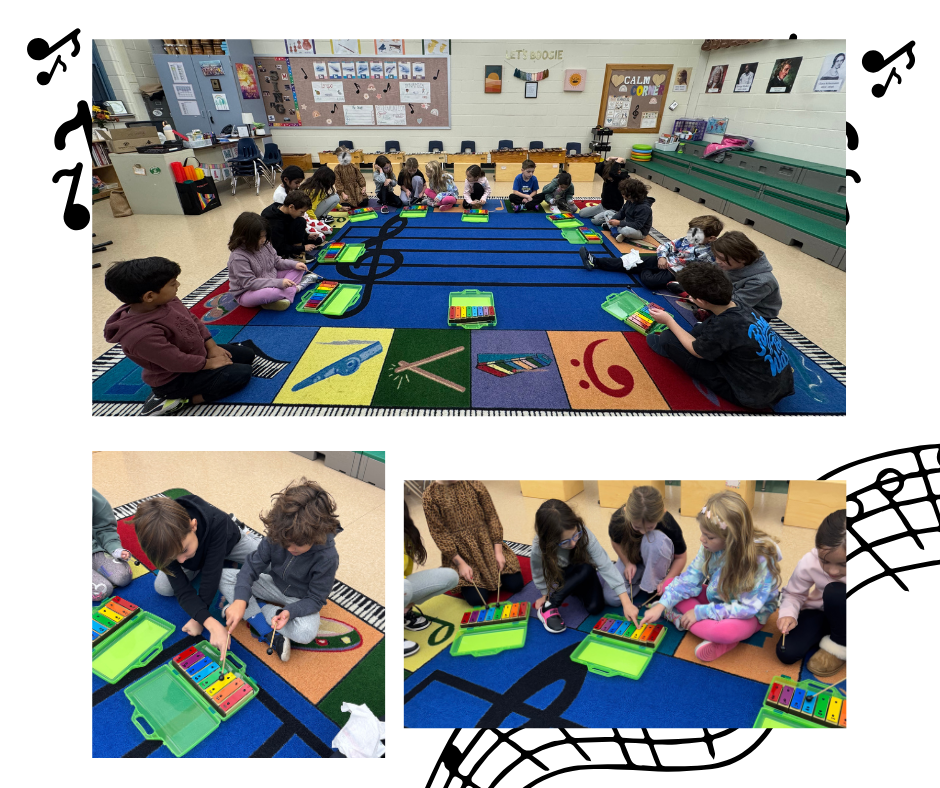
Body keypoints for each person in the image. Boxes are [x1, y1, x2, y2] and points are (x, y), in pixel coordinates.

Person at [641, 491, 782, 662]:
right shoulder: (708, 546)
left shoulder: (759, 560)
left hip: (750, 613)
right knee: (670, 584)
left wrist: (700, 612)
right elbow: (689, 579)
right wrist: (662, 606)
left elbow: (747, 609)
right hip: (719, 597)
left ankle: (705, 629)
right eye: (702, 533)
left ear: (731, 539)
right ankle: (707, 630)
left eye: (709, 536)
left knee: (725, 631)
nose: (702, 539)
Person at [103, 257, 255, 416]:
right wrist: (209, 364)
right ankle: (181, 400)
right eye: (172, 283)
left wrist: (212, 347)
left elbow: (192, 320)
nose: (178, 285)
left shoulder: (167, 301)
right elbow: (176, 361)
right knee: (242, 374)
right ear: (149, 296)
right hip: (174, 378)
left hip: (195, 355)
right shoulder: (140, 335)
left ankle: (203, 370)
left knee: (247, 355)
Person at [222, 478, 342, 663]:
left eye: (298, 545)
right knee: (223, 577)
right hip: (272, 583)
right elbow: (253, 566)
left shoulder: (328, 557)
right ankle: (255, 616)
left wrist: (290, 612)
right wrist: (239, 599)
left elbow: (316, 599)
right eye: (285, 543)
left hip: (299, 598)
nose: (290, 549)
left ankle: (257, 608)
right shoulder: (278, 533)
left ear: (318, 534)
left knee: (306, 632)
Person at [645, 262, 795, 410]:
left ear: (700, 301)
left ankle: (669, 347)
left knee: (668, 338)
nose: (689, 297)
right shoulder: (740, 305)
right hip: (781, 383)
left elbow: (697, 351)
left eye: (690, 295)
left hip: (753, 396)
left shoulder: (726, 325)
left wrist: (669, 321)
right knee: (705, 325)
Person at [135, 494, 263, 651]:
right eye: (174, 557)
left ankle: (242, 529)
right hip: (197, 556)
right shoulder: (161, 548)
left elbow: (211, 576)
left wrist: (200, 619)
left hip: (229, 542)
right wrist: (208, 621)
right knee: (163, 588)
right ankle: (196, 556)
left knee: (268, 558)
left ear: (193, 525)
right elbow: (182, 590)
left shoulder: (217, 522)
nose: (181, 561)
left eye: (183, 550)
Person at [532, 499, 637, 634]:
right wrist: (544, 594)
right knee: (579, 572)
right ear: (549, 540)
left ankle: (571, 589)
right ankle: (550, 605)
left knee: (595, 608)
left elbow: (605, 564)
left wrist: (626, 603)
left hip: (584, 572)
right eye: (564, 542)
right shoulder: (539, 545)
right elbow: (538, 570)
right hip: (562, 575)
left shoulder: (583, 532)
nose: (573, 543)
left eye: (576, 536)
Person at [422, 480, 524, 607]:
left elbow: (492, 517)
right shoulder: (429, 496)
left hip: (487, 544)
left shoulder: (474, 484)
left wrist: (498, 552)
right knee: (477, 600)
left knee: (516, 585)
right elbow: (440, 534)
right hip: (462, 554)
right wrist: (461, 564)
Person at [776, 510, 846, 676]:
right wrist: (788, 614)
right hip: (819, 612)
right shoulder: (809, 561)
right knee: (787, 653)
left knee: (835, 592)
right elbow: (793, 594)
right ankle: (829, 634)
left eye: (843, 564)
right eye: (825, 561)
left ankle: (840, 643)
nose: (833, 571)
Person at [601, 486, 688, 606]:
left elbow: (681, 557)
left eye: (650, 527)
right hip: (633, 559)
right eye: (637, 527)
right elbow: (615, 541)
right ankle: (645, 580)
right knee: (612, 598)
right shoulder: (619, 519)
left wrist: (666, 581)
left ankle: (651, 583)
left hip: (657, 562)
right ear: (627, 512)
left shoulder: (668, 522)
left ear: (662, 513)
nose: (642, 532)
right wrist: (627, 563)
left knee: (654, 539)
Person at [580, 214, 721, 287]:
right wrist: (662, 257)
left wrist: (671, 267)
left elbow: (698, 274)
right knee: (627, 260)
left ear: (711, 238)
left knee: (650, 281)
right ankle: (596, 261)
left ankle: (642, 269)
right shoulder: (688, 238)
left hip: (674, 272)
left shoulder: (709, 254)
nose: (690, 236)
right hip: (663, 261)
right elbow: (667, 246)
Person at [226, 212, 318, 312]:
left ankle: (277, 298)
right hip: (247, 292)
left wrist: (295, 264)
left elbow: (277, 261)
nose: (263, 239)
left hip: (271, 278)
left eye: (264, 235)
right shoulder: (238, 257)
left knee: (297, 269)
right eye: (259, 237)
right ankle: (298, 288)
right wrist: (279, 283)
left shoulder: (265, 244)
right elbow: (249, 283)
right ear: (245, 237)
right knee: (269, 293)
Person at [404, 500, 459, 657]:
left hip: (402, 586)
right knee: (404, 586)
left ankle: (404, 612)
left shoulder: (406, 533)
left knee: (450, 576)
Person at [712, 231, 782, 320]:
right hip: (731, 297)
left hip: (756, 314)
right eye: (716, 257)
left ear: (742, 259)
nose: (717, 261)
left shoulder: (762, 281)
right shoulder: (729, 264)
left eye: (722, 259)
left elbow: (735, 306)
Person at [260, 190, 324, 261]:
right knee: (300, 220)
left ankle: (301, 243)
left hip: (285, 237)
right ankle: (294, 254)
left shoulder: (282, 208)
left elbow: (289, 226)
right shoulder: (275, 223)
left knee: (302, 223)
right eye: (301, 212)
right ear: (291, 207)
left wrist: (307, 236)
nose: (303, 214)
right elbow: (279, 248)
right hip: (278, 247)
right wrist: (302, 248)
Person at [92, 488, 132, 601]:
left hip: (93, 550)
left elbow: (105, 528)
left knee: (123, 577)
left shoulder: (92, 497)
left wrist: (115, 549)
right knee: (102, 590)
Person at [577, 157, 629, 223]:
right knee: (582, 213)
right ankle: (603, 215)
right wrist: (608, 159)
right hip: (602, 206)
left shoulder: (620, 179)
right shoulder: (607, 178)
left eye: (610, 177)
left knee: (595, 220)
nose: (608, 179)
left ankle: (615, 217)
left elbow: (613, 173)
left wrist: (618, 162)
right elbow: (598, 169)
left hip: (613, 210)